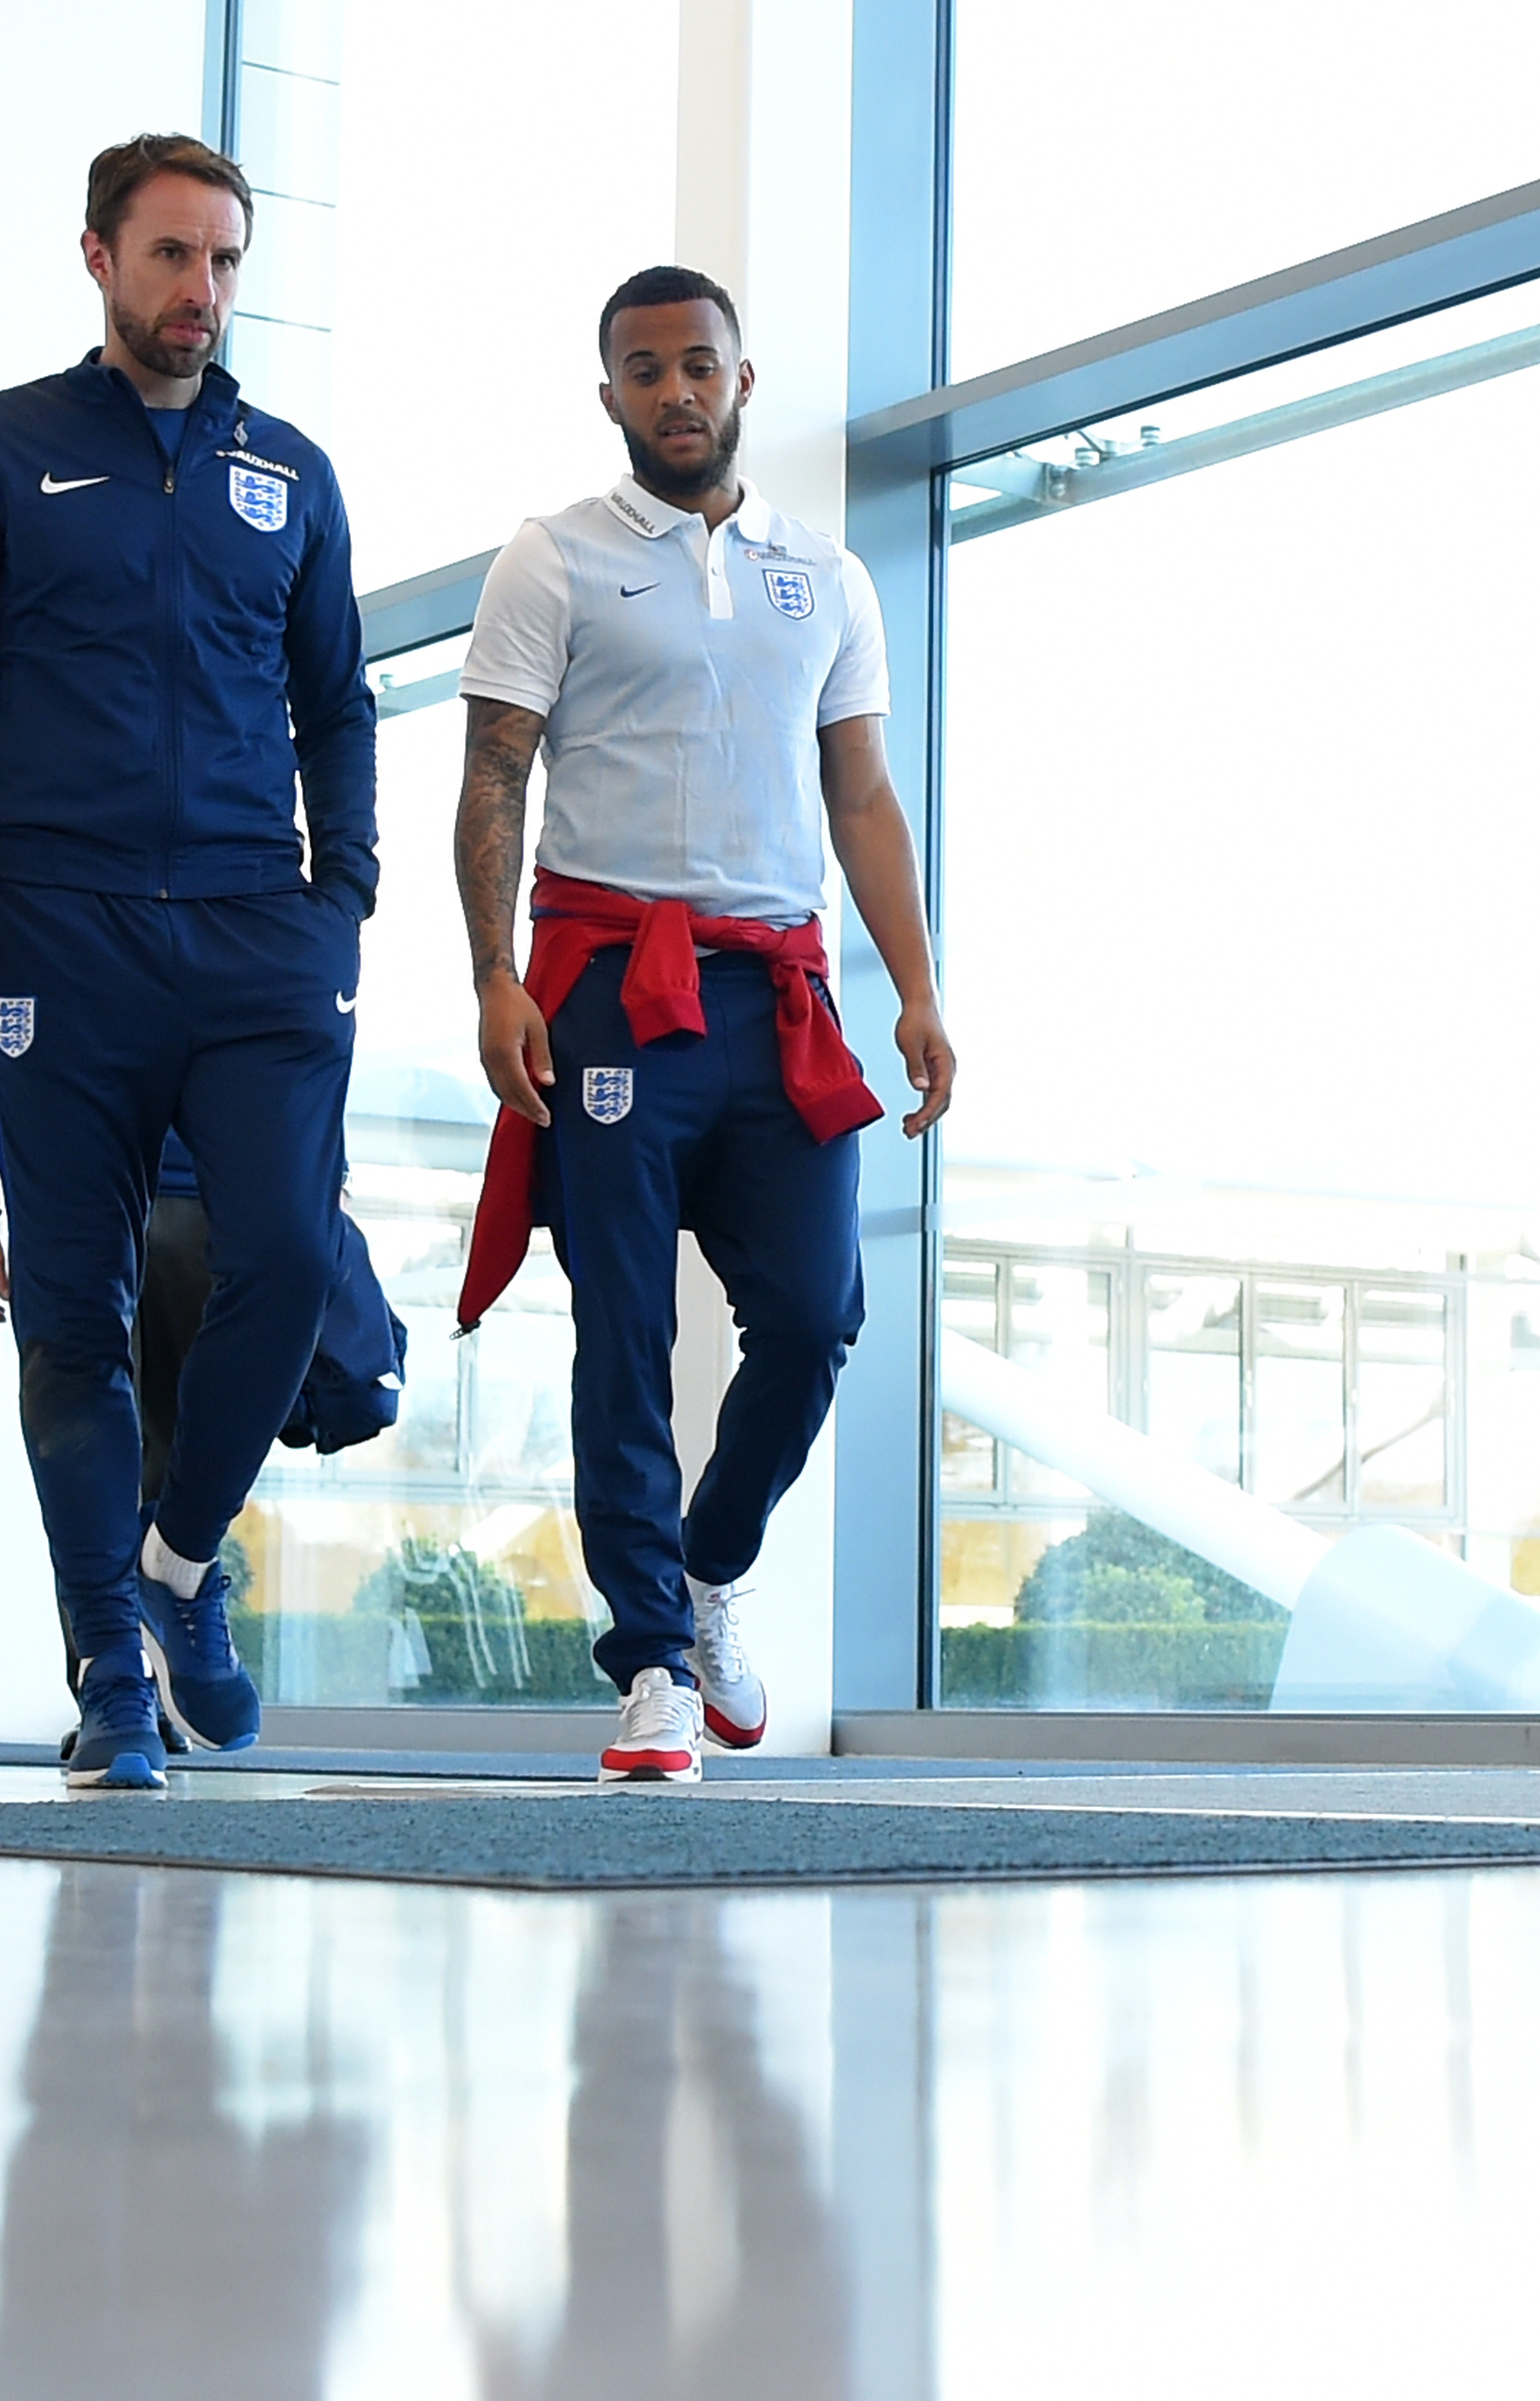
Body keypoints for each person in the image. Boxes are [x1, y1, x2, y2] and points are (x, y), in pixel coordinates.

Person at [0, 133, 376, 1790]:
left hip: (252, 928)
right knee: (70, 1321)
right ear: (97, 259)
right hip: (57, 926)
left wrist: (342, 891)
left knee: (288, 1261)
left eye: (224, 261)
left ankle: (177, 1564)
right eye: (170, 256)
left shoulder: (289, 473)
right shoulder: (2, 451)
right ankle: (107, 1673)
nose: (200, 291)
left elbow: (336, 702)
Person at [452, 264, 956, 1785]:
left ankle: (705, 1571)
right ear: (610, 395)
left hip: (778, 994)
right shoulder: (553, 559)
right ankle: (655, 1663)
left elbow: (859, 795)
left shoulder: (830, 574)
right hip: (611, 985)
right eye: (644, 368)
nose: (675, 389)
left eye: (699, 365)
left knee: (814, 1315)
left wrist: (917, 989)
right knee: (620, 1327)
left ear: (743, 381)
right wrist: (495, 976)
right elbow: (492, 778)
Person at [0, 1025, 411, 1755]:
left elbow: (300, 1049)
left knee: (180, 1446)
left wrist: (323, 1184)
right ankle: (115, 1681)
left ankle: (159, 1638)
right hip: (89, 1204)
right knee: (90, 1460)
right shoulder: (48, 922)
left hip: (209, 1207)